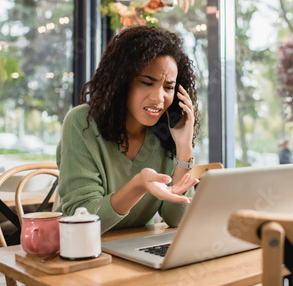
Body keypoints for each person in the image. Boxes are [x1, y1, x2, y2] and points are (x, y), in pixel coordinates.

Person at [56, 26, 201, 233]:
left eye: (168, 87)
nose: (159, 98)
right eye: (146, 82)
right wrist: (138, 186)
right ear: (122, 82)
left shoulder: (165, 133)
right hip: (85, 250)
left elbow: (178, 220)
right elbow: (82, 219)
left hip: (137, 250)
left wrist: (184, 147)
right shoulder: (81, 123)